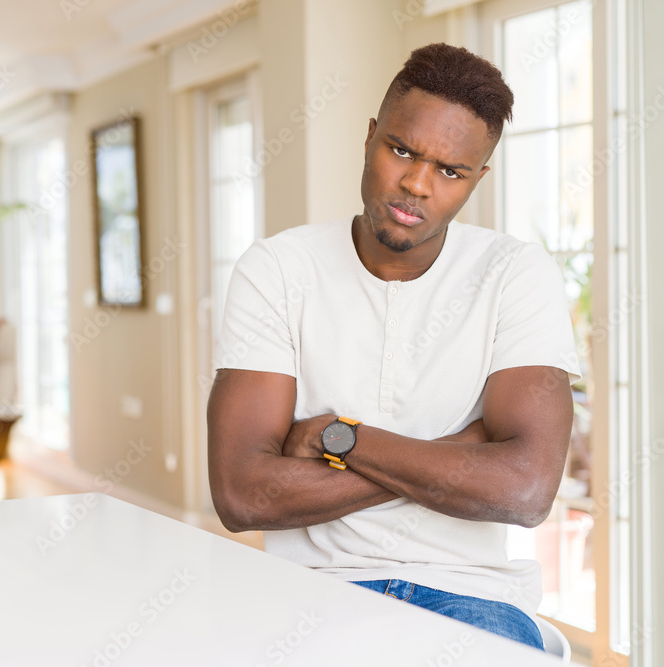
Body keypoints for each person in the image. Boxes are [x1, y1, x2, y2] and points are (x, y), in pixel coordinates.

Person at [207, 42, 581, 650]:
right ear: (371, 137)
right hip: (307, 591)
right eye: (401, 150)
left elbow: (525, 490)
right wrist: (460, 454)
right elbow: (243, 495)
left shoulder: (515, 274)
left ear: (476, 180)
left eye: (450, 171)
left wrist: (341, 438)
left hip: (468, 594)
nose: (415, 184)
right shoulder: (277, 268)